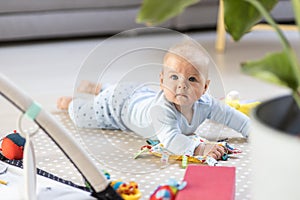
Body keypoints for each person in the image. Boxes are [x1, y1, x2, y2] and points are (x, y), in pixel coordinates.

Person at [57, 40, 250, 160]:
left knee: (126, 92)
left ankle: (100, 87)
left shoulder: (206, 103)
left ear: (205, 87)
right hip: (117, 107)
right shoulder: (162, 110)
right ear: (162, 80)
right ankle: (72, 103)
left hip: (140, 93)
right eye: (174, 78)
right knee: (83, 117)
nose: (181, 85)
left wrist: (250, 129)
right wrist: (201, 148)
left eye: (192, 79)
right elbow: (171, 140)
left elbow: (229, 114)